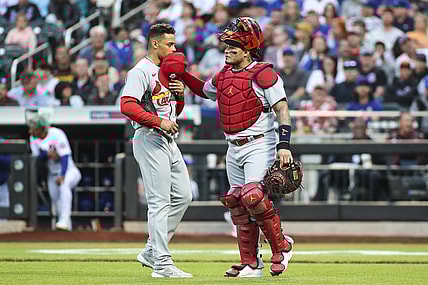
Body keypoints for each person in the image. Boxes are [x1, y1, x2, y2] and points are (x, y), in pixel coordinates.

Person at [180, 17, 294, 277]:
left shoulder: (264, 73)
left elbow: (283, 109)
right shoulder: (223, 74)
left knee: (252, 195)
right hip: (232, 146)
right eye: (227, 45)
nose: (227, 50)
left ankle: (282, 247)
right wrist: (183, 75)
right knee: (237, 203)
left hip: (259, 143)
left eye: (233, 46)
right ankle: (251, 263)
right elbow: (203, 89)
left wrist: (284, 145)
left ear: (248, 48)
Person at [119, 23, 193, 278]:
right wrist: (159, 122)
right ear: (155, 44)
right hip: (148, 138)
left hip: (168, 141)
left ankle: (152, 250)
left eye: (174, 43)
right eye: (169, 44)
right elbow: (127, 106)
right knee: (159, 202)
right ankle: (161, 263)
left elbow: (171, 111)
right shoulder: (141, 71)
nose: (174, 48)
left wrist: (180, 97)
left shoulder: (168, 71)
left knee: (184, 196)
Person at [27, 113, 81, 231]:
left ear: (40, 128)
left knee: (64, 185)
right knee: (56, 200)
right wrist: (46, 154)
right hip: (52, 173)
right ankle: (66, 228)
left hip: (69, 170)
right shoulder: (33, 139)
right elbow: (37, 159)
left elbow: (65, 156)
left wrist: (62, 174)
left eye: (32, 128)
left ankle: (64, 220)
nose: (30, 131)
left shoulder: (56, 133)